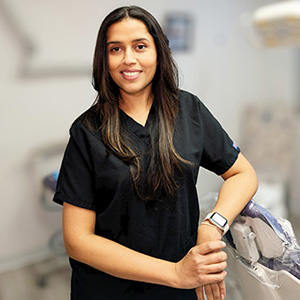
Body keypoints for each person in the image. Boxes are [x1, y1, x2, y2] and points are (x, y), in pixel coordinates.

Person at [53, 5, 258, 300]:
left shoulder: (189, 110)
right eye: (115, 49)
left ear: (158, 52)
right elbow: (77, 241)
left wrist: (213, 225)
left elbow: (242, 173)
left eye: (140, 46)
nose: (129, 59)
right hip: (110, 289)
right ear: (104, 59)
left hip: (183, 283)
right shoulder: (87, 131)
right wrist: (174, 273)